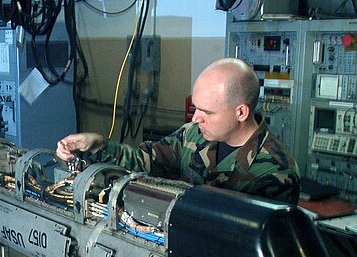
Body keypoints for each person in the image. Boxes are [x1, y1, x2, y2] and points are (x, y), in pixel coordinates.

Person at [57, 57, 300, 204]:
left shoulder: (275, 172)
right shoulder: (192, 135)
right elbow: (144, 161)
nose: (195, 118)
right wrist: (98, 144)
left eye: (207, 112)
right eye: (196, 108)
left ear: (241, 113)